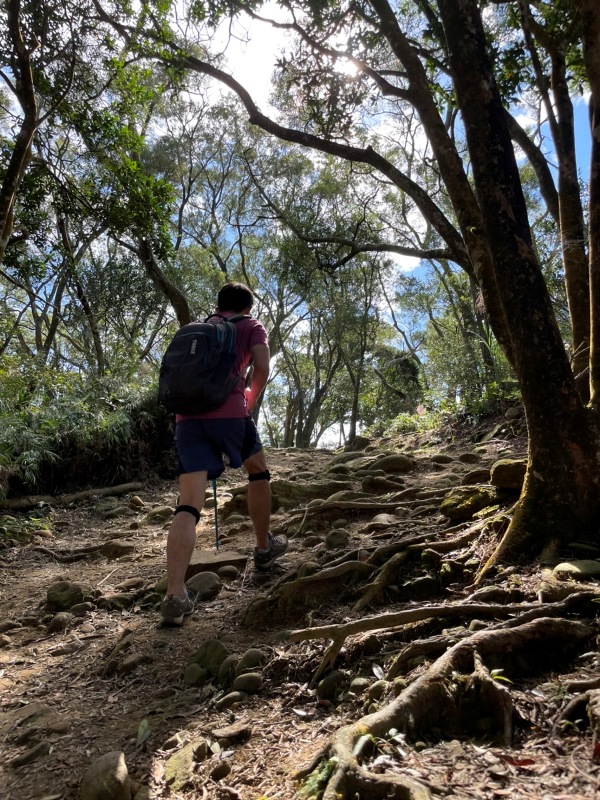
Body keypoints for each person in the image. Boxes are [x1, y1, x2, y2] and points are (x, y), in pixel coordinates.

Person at [160, 282, 288, 625]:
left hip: (187, 420)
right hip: (230, 414)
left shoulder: (195, 329)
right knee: (257, 471)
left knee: (188, 504)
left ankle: (174, 595)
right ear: (247, 307)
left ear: (218, 305)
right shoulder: (250, 325)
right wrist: (251, 396)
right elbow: (261, 366)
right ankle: (263, 548)